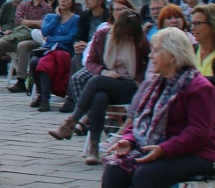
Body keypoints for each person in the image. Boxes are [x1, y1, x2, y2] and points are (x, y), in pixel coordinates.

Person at [84, 27, 215, 188]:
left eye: (156, 50)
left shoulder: (199, 87)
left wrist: (163, 149)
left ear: (173, 53)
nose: (152, 56)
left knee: (146, 174)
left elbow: (198, 134)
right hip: (159, 150)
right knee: (114, 168)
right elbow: (136, 122)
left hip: (198, 155)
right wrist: (128, 141)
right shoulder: (153, 84)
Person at [54, 9, 148, 165]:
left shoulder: (140, 39)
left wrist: (141, 78)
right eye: (126, 34)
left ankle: (72, 121)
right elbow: (91, 62)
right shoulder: (103, 36)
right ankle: (94, 148)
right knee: (100, 97)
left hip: (130, 84)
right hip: (108, 81)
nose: (128, 37)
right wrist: (104, 71)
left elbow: (149, 61)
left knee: (97, 82)